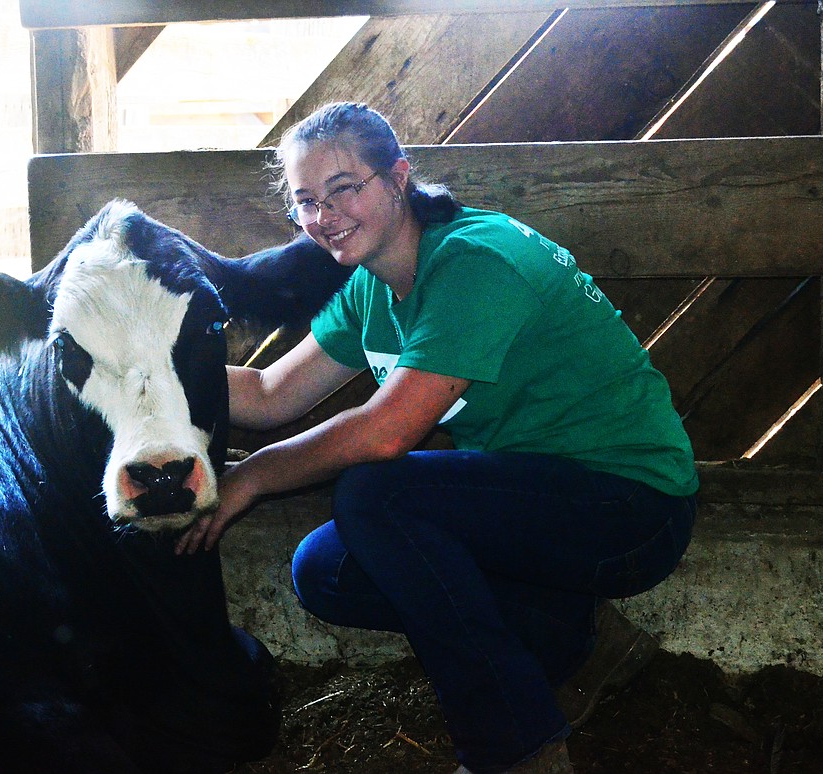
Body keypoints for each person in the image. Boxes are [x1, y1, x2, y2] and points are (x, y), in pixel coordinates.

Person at [176, 101, 698, 774]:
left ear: (398, 179)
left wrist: (250, 477)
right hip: (538, 499)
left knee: (377, 494)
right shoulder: (370, 282)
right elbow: (272, 394)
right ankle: (583, 644)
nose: (324, 216)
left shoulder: (475, 263)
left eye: (344, 189)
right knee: (329, 570)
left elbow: (386, 432)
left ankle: (515, 747)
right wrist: (145, 371)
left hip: (632, 507)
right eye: (306, 202)